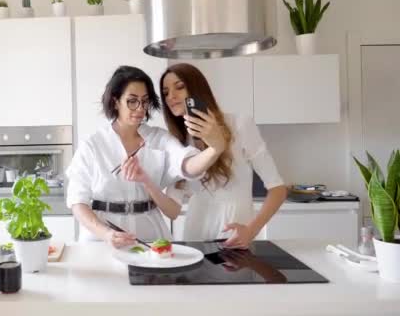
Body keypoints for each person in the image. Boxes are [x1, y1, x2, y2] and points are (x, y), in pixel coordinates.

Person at [66, 66, 226, 248]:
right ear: (116, 101)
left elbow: (188, 165)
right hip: (101, 238)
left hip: (150, 236)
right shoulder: (93, 145)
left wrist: (215, 149)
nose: (140, 109)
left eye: (145, 101)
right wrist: (106, 234)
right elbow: (77, 201)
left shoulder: (159, 139)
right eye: (132, 101)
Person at [159, 63, 287, 248]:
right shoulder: (177, 140)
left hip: (236, 233)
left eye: (179, 87)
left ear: (197, 89)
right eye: (165, 92)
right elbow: (173, 204)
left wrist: (251, 230)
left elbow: (278, 189)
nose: (171, 96)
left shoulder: (240, 124)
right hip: (195, 232)